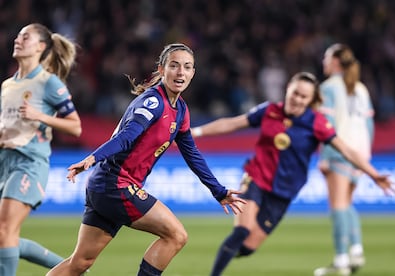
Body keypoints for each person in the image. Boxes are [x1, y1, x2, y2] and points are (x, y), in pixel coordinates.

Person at [46, 43, 246, 276]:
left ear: (193, 73)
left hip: (103, 186)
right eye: (174, 66)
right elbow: (126, 137)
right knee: (176, 235)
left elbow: (192, 154)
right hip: (116, 185)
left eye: (187, 67)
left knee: (80, 263)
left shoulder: (180, 109)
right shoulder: (152, 103)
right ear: (161, 70)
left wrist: (218, 191)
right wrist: (93, 157)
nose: (181, 72)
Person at [190, 72, 395, 276]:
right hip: (256, 179)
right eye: (295, 93)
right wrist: (196, 132)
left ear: (310, 101)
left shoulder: (317, 123)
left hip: (283, 193)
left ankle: (230, 252)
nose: (297, 99)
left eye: (303, 97)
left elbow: (347, 150)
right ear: (288, 88)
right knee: (241, 231)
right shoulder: (270, 110)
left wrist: (373, 174)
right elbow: (233, 123)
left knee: (247, 248)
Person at [0, 23, 81, 276]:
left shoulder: (49, 83)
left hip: (29, 163)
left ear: (41, 47)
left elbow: (75, 126)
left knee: (5, 231)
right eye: (18, 35)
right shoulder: (7, 85)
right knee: (5, 237)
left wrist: (40, 116)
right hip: (5, 162)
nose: (18, 39)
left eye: (26, 37)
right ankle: (73, 269)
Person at [313, 44, 375, 276]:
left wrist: (326, 154)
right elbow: (369, 125)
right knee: (347, 203)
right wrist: (365, 156)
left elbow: (326, 125)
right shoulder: (361, 88)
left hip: (340, 151)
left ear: (336, 62)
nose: (324, 61)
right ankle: (356, 250)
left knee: (337, 205)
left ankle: (341, 261)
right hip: (360, 153)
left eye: (327, 57)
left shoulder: (328, 88)